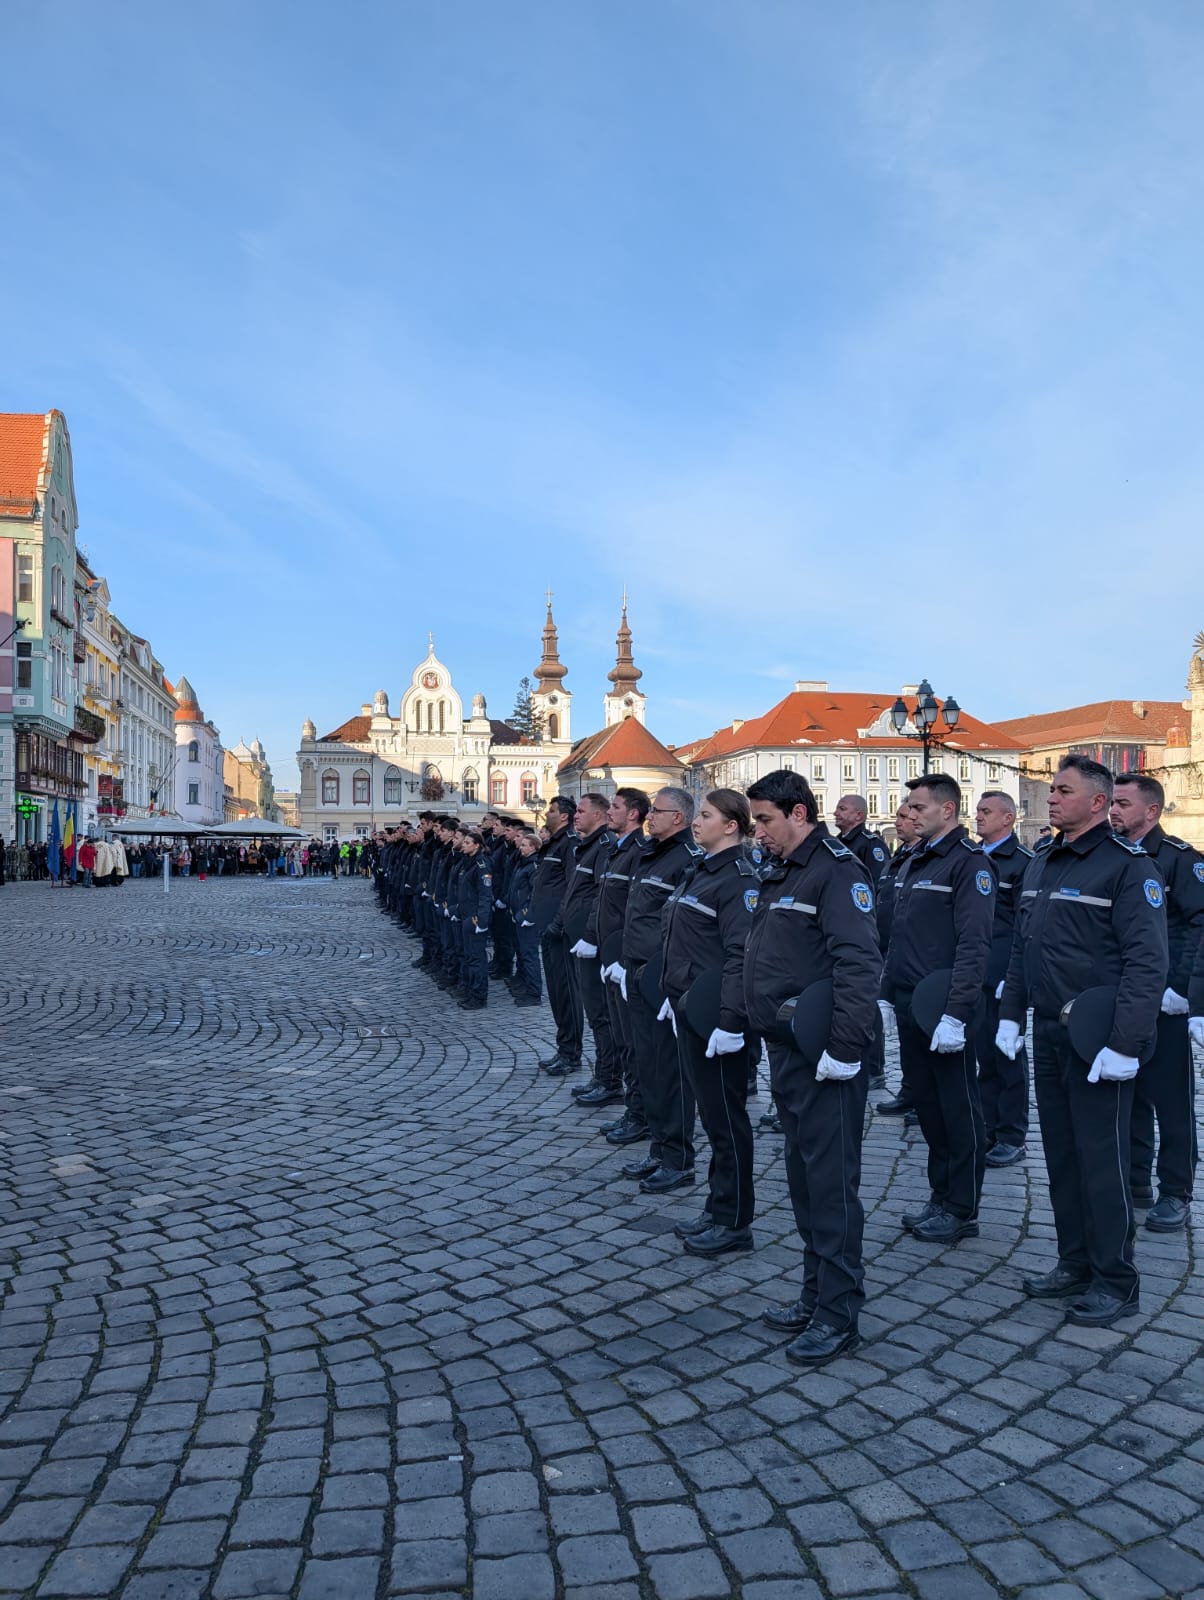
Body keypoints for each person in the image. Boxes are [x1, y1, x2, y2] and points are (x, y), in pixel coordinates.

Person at [998, 755, 1168, 1326]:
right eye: (1051, 790)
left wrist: (1126, 1043)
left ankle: (1117, 1280)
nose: (1051, 799)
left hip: (1098, 1041)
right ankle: (1074, 1261)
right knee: (1062, 1158)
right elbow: (1026, 945)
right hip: (1048, 1033)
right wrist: (1009, 1013)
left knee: (1103, 1162)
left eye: (1063, 791)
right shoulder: (1044, 863)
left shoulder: (1126, 869)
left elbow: (1148, 964)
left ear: (1097, 803)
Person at [745, 768, 883, 1365]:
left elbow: (858, 965)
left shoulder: (836, 870)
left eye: (765, 820)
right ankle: (814, 1293)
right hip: (788, 1049)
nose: (758, 832)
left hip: (826, 1054)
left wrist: (846, 1052)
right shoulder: (783, 870)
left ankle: (839, 1312)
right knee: (804, 1182)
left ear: (799, 813)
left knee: (831, 1186)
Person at [882, 773, 993, 1244]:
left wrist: (957, 1012)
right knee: (927, 1106)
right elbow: (898, 935)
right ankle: (940, 1193)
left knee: (957, 1108)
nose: (911, 812)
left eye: (919, 806)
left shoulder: (968, 865)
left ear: (946, 810)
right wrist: (887, 993)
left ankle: (962, 1206)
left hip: (945, 1008)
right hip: (911, 1002)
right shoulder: (915, 860)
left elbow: (974, 944)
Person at [662, 789, 760, 1257]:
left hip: (717, 1018)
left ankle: (735, 1219)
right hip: (690, 1009)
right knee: (711, 1116)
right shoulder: (700, 870)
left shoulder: (738, 880)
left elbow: (742, 955)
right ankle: (717, 1203)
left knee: (727, 1120)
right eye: (697, 814)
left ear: (731, 826)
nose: (696, 822)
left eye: (705, 815)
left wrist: (730, 1020)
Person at [1110, 773, 1204, 1231]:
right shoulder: (1111, 856)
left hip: (1165, 999)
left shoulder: (1179, 860)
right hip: (1123, 996)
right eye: (1111, 801)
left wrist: (1183, 990)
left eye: (1123, 804)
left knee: (1171, 1101)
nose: (1113, 810)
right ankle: (1135, 1182)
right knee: (1128, 1094)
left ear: (1151, 811)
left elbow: (1200, 924)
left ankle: (1176, 1191)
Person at [620, 787, 701, 1193]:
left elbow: (681, 929)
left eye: (658, 811)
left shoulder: (686, 860)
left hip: (662, 977)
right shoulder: (652, 853)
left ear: (680, 819)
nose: (650, 816)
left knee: (670, 1070)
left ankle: (678, 1156)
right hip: (637, 972)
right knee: (648, 1064)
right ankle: (659, 1146)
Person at [974, 791, 1034, 1167]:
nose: (977, 817)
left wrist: (1016, 979)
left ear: (1008, 819)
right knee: (984, 1056)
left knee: (1008, 1056)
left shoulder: (1023, 863)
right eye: (978, 811)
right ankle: (988, 1125)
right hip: (976, 974)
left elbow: (1026, 928)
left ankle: (1012, 1134)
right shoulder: (972, 858)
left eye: (985, 812)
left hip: (1003, 976)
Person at [592, 789, 650, 1144]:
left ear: (633, 815)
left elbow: (635, 913)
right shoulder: (615, 850)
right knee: (622, 1037)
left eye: (615, 807)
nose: (608, 812)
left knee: (633, 1042)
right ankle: (634, 1107)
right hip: (612, 956)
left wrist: (623, 959)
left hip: (627, 959)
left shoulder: (637, 853)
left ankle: (639, 1112)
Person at [561, 794, 620, 1106]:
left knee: (601, 1014)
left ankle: (610, 1078)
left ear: (598, 815)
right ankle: (603, 1074)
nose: (576, 816)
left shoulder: (604, 846)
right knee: (595, 1012)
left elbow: (603, 897)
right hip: (582, 943)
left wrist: (590, 935)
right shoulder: (588, 846)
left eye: (581, 811)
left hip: (595, 943)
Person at [834, 796, 890, 1092]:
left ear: (859, 814)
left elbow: (878, 890)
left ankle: (875, 1067)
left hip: (863, 930)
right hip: (837, 930)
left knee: (866, 999)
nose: (836, 812)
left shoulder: (871, 844)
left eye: (843, 809)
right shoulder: (834, 843)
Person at [875, 803, 921, 1117]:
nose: (899, 821)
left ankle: (926, 1098)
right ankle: (910, 1091)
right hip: (893, 954)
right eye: (899, 815)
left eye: (906, 816)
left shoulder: (924, 860)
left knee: (925, 1037)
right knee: (906, 1037)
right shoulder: (899, 860)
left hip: (923, 962)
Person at [532, 798, 584, 1077]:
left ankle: (571, 1054)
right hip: (548, 930)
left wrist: (557, 923)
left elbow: (572, 889)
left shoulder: (570, 844)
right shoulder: (555, 842)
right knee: (555, 993)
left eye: (551, 810)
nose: (547, 813)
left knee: (567, 993)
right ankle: (564, 1047)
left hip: (560, 932)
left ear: (563, 816)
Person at [456, 829, 493, 1009]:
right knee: (470, 957)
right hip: (466, 916)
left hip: (475, 918)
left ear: (477, 845)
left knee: (477, 959)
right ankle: (472, 992)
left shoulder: (481, 865)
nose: (464, 844)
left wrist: (482, 921)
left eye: (467, 843)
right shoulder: (468, 863)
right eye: (464, 842)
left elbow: (485, 895)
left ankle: (479, 997)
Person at [508, 830, 543, 1006]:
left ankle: (534, 993)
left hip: (527, 918)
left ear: (534, 848)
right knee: (522, 954)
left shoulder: (534, 865)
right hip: (517, 915)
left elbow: (537, 893)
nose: (520, 847)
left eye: (523, 845)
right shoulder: (522, 863)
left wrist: (527, 914)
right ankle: (525, 985)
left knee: (530, 956)